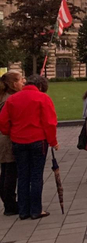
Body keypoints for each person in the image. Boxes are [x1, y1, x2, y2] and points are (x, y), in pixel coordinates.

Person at [0, 75, 59, 220]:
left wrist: (11, 132)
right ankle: (35, 209)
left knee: (23, 175)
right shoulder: (42, 98)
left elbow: (3, 121)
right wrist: (53, 141)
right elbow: (49, 122)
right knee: (36, 175)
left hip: (18, 141)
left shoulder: (12, 99)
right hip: (38, 140)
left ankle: (23, 210)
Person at [0, 71, 23, 215]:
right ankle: (9, 204)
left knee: (6, 171)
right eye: (21, 80)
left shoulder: (4, 97)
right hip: (7, 138)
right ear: (14, 84)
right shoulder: (10, 99)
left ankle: (8, 201)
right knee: (10, 172)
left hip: (3, 137)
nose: (23, 82)